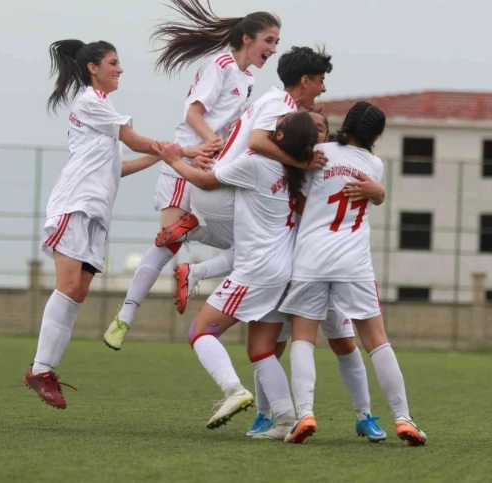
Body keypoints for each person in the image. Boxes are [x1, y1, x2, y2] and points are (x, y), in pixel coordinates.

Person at [22, 39, 204, 409]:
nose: (120, 69)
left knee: (77, 292)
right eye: (113, 62)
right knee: (68, 286)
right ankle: (40, 369)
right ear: (93, 68)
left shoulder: (102, 108)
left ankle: (45, 370)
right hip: (74, 205)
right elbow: (134, 141)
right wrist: (182, 151)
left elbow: (118, 166)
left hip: (96, 212)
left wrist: (166, 157)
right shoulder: (91, 101)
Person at [104, 0, 282, 350]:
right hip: (185, 160)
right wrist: (208, 143)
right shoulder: (220, 64)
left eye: (276, 42)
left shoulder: (247, 79)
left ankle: (194, 245)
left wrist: (225, 151)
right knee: (166, 244)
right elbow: (193, 114)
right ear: (247, 38)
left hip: (212, 166)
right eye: (269, 40)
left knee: (247, 243)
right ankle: (124, 317)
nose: (273, 49)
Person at [158, 111, 318, 439]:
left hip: (256, 270)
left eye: (276, 127)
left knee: (200, 331)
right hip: (284, 270)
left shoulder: (256, 164)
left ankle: (233, 390)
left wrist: (174, 160)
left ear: (280, 138)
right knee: (261, 349)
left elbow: (205, 181)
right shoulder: (299, 172)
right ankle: (286, 421)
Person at [280, 101, 428, 445]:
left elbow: (301, 193)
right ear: (377, 134)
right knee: (377, 341)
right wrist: (380, 193)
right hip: (353, 262)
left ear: (345, 124)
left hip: (311, 257)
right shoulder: (374, 165)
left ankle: (305, 413)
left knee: (303, 337)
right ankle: (403, 418)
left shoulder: (317, 154)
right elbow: (375, 194)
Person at [245, 110, 387, 443]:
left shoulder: (329, 163)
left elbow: (364, 194)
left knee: (344, 342)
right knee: (273, 346)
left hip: (325, 266)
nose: (316, 136)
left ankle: (364, 415)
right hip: (288, 268)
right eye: (310, 130)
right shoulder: (286, 168)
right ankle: (266, 415)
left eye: (320, 129)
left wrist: (378, 192)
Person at [168, 46, 334, 316]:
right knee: (276, 246)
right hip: (223, 190)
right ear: (305, 80)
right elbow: (257, 142)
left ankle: (194, 242)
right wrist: (301, 163)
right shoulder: (282, 104)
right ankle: (196, 242)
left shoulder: (271, 99)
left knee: (266, 246)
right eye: (321, 80)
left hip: (221, 188)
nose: (323, 88)